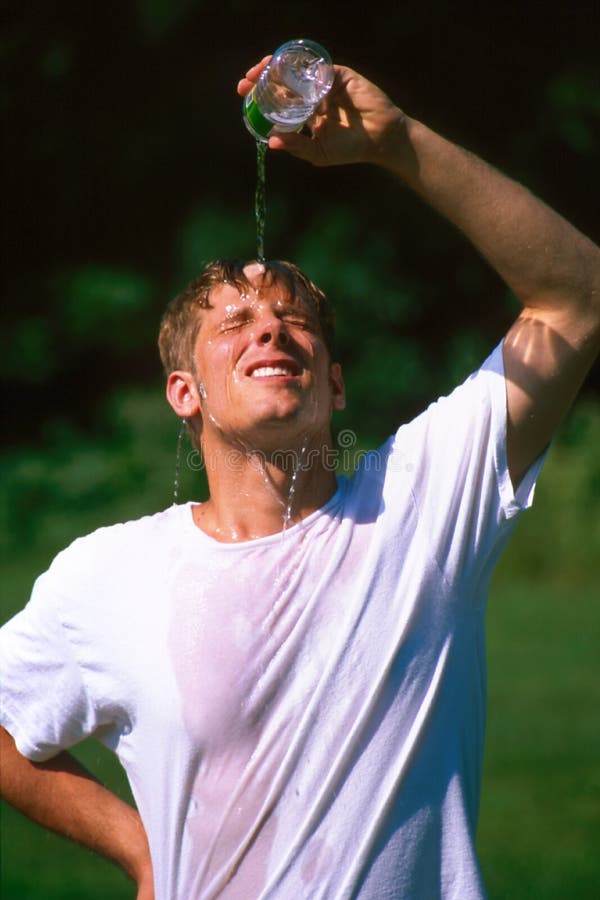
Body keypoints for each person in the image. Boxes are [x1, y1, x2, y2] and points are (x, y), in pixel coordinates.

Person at [1, 55, 599, 900]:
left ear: (335, 383)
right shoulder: (109, 576)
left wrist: (396, 142)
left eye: (295, 319)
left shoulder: (421, 505)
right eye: (235, 322)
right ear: (185, 393)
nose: (272, 331)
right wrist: (139, 849)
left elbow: (578, 297)